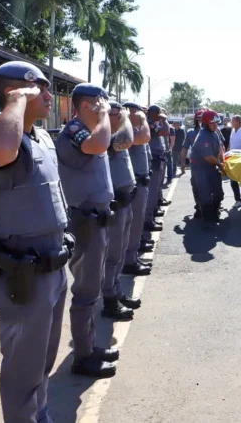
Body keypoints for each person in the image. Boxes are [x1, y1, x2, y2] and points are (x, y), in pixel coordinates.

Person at [0, 61, 71, 421]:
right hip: (24, 277)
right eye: (38, 88)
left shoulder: (41, 137)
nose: (47, 95)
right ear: (15, 92)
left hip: (54, 268)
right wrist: (15, 103)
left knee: (42, 362)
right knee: (23, 372)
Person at [56, 83, 120, 378]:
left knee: (93, 288)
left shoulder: (92, 132)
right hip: (85, 222)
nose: (103, 107)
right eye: (99, 102)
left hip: (98, 220)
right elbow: (99, 145)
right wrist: (105, 115)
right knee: (85, 290)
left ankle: (88, 346)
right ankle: (83, 357)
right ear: (86, 105)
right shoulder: (74, 132)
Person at [102, 101, 151, 324]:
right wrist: (135, 118)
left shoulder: (117, 132)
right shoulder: (108, 136)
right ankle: (109, 298)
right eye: (116, 113)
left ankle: (116, 291)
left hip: (125, 198)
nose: (121, 117)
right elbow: (131, 139)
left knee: (118, 254)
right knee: (111, 256)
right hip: (113, 203)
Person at [123, 102, 155, 258]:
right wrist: (143, 121)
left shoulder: (137, 129)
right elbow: (143, 138)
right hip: (133, 183)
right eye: (138, 113)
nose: (141, 115)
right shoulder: (126, 130)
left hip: (141, 180)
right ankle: (130, 257)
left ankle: (135, 249)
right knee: (133, 221)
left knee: (138, 219)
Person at [190, 109, 225, 228]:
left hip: (211, 166)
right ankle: (208, 219)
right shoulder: (203, 136)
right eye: (212, 123)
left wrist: (223, 159)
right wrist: (220, 165)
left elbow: (220, 146)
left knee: (218, 193)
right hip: (200, 168)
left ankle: (214, 212)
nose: (215, 125)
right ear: (205, 123)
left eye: (217, 123)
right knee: (204, 195)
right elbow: (208, 156)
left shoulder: (215, 133)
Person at [145, 105, 170, 232]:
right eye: (158, 114)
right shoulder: (149, 123)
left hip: (158, 158)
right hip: (153, 160)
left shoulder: (153, 123)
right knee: (152, 190)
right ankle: (148, 219)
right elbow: (166, 131)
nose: (159, 116)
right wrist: (164, 120)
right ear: (152, 113)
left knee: (155, 189)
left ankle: (151, 215)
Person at [182, 109, 204, 217]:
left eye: (203, 119)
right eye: (199, 119)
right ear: (196, 120)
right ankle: (199, 206)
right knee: (196, 186)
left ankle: (213, 206)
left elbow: (220, 147)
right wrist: (182, 164)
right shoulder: (191, 133)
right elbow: (185, 149)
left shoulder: (215, 131)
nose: (201, 121)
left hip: (210, 164)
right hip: (195, 164)